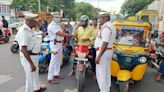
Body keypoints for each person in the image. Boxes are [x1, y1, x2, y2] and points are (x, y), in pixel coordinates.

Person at [16, 14, 46, 92]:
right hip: (29, 57)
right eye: (34, 20)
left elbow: (32, 43)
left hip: (34, 56)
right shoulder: (24, 31)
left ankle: (37, 88)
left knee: (35, 74)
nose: (36, 22)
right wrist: (31, 64)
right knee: (30, 77)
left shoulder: (30, 29)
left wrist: (40, 48)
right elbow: (23, 49)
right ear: (29, 21)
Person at [47, 11, 75, 84]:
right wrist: (71, 35)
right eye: (56, 17)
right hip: (54, 44)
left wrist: (62, 27)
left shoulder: (57, 25)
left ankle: (56, 74)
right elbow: (60, 34)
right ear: (53, 18)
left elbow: (62, 32)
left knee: (58, 60)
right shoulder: (52, 25)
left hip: (59, 44)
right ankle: (50, 78)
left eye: (59, 17)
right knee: (53, 61)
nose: (58, 18)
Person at [95, 13, 116, 92]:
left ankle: (103, 90)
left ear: (104, 18)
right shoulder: (111, 25)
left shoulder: (107, 27)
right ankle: (106, 90)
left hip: (103, 52)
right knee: (106, 73)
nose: (99, 20)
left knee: (101, 74)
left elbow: (105, 42)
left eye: (100, 18)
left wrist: (99, 56)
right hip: (106, 52)